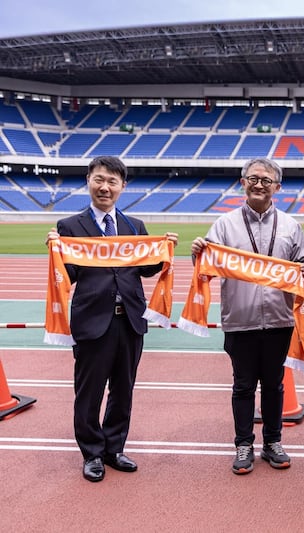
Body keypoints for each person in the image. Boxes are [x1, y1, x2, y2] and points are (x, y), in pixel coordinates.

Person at [46, 155, 178, 482]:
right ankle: (91, 453)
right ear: (89, 181)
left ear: (123, 187)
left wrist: (163, 252)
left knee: (124, 389)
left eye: (112, 182)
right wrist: (57, 251)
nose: (105, 187)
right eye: (99, 180)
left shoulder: (135, 227)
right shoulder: (70, 226)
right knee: (89, 392)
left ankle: (113, 448)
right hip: (93, 320)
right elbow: (71, 274)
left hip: (131, 319)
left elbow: (145, 270)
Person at [190, 158, 304, 475]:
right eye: (253, 178)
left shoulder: (290, 225)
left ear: (278, 187)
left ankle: (272, 441)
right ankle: (243, 444)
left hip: (280, 319)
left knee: (274, 386)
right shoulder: (224, 224)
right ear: (242, 182)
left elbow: (302, 265)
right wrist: (198, 254)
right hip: (240, 321)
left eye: (266, 180)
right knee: (243, 386)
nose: (259, 184)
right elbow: (208, 267)